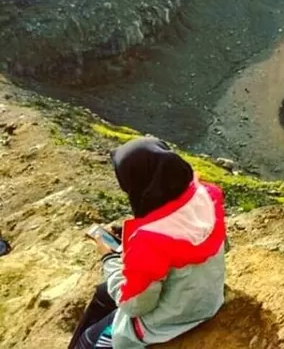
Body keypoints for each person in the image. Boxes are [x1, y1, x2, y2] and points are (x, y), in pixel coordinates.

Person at [69, 137, 227, 349]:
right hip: (207, 298)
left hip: (173, 318)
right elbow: (220, 245)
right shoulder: (206, 196)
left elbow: (135, 305)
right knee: (102, 293)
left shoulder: (149, 240)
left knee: (87, 342)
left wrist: (109, 257)